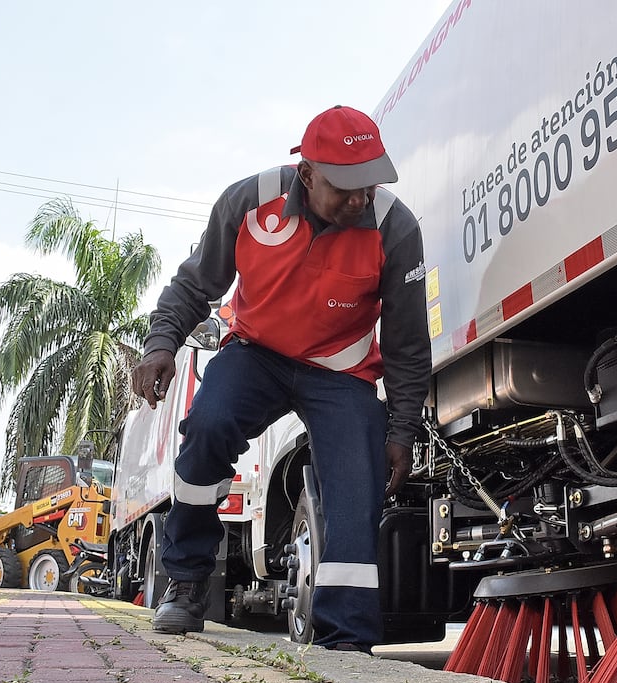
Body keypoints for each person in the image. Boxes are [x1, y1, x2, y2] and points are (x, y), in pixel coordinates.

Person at [130, 105, 431, 652]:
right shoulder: (249, 202)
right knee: (205, 429)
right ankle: (188, 582)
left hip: (341, 374)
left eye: (370, 182)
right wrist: (160, 345)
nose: (361, 198)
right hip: (257, 355)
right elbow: (195, 286)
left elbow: (409, 345)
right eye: (346, 187)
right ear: (307, 174)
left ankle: (347, 640)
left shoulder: (395, 227)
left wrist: (401, 430)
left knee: (355, 484)